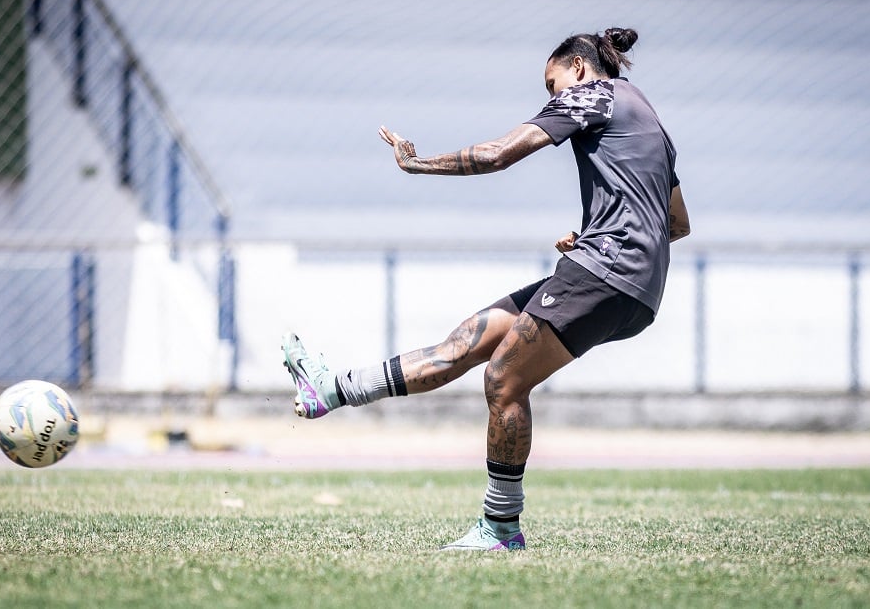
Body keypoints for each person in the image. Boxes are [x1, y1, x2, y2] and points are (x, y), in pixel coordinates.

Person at [281, 27, 690, 551]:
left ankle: (500, 528)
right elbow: (675, 222)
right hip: (633, 284)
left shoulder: (594, 95)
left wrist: (418, 162)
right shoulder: (652, 120)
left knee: (503, 379)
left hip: (606, 270)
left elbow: (498, 153)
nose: (553, 99)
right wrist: (597, 233)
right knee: (466, 343)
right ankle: (331, 389)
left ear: (580, 68)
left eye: (553, 84)